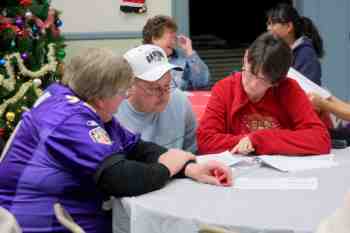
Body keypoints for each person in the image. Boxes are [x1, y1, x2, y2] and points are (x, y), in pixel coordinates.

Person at [0, 48, 232, 233]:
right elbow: (119, 178)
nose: (123, 100)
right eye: (122, 93)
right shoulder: (68, 118)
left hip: (67, 214)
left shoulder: (84, 106)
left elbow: (135, 147)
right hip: (39, 224)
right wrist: (167, 168)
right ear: (101, 97)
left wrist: (189, 168)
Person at [197, 32, 331, 155]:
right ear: (246, 58)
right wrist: (246, 141)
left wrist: (259, 139)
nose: (253, 84)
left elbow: (320, 139)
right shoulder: (225, 89)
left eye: (263, 80)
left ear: (276, 82)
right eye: (251, 73)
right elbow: (205, 140)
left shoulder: (289, 89)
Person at [115, 44, 197, 153]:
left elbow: (193, 152)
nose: (164, 94)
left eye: (167, 85)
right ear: (129, 86)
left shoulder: (179, 100)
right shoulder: (112, 112)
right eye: (154, 88)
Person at [142, 15, 210, 90]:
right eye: (170, 38)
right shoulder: (138, 60)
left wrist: (189, 51)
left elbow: (202, 82)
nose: (174, 43)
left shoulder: (183, 60)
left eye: (174, 38)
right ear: (154, 38)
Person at [267, 3, 324, 85]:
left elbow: (308, 91)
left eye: (272, 23)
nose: (268, 28)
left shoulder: (306, 55)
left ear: (288, 27)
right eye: (268, 24)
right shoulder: (278, 53)